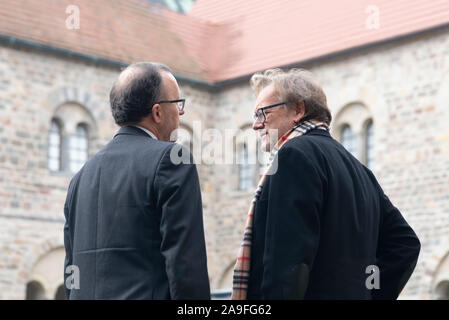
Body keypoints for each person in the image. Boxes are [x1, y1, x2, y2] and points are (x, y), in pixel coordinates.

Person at [232, 68, 421, 300]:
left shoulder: (294, 155)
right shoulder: (360, 170)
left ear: (298, 110)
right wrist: (368, 293)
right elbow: (405, 245)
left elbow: (287, 262)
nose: (256, 125)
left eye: (263, 113)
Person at [63, 62, 210, 299]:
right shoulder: (172, 160)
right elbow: (185, 266)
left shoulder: (80, 178)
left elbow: (71, 269)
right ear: (158, 112)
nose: (181, 113)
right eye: (177, 104)